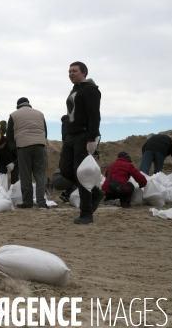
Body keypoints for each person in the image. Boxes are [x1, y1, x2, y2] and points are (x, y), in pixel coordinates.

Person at [59, 61, 103, 225]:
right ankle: (96, 193)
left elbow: (94, 115)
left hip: (84, 135)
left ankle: (86, 213)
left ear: (84, 72)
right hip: (71, 136)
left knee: (81, 172)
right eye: (69, 71)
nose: (71, 73)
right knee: (65, 170)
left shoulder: (90, 90)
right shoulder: (75, 90)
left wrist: (91, 139)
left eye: (74, 71)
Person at [7, 97, 49, 209]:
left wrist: (15, 150)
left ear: (18, 105)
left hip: (23, 145)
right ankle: (42, 203)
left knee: (25, 175)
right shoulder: (40, 114)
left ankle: (27, 202)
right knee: (40, 175)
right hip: (40, 145)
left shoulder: (14, 115)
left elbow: (9, 135)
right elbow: (45, 131)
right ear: (29, 104)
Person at [0, 121, 19, 187]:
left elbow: (20, 156)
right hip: (1, 163)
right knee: (0, 180)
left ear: (4, 143)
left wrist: (13, 163)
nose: (0, 147)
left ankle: (14, 193)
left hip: (13, 162)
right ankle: (2, 194)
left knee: (15, 180)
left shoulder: (11, 146)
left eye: (1, 145)